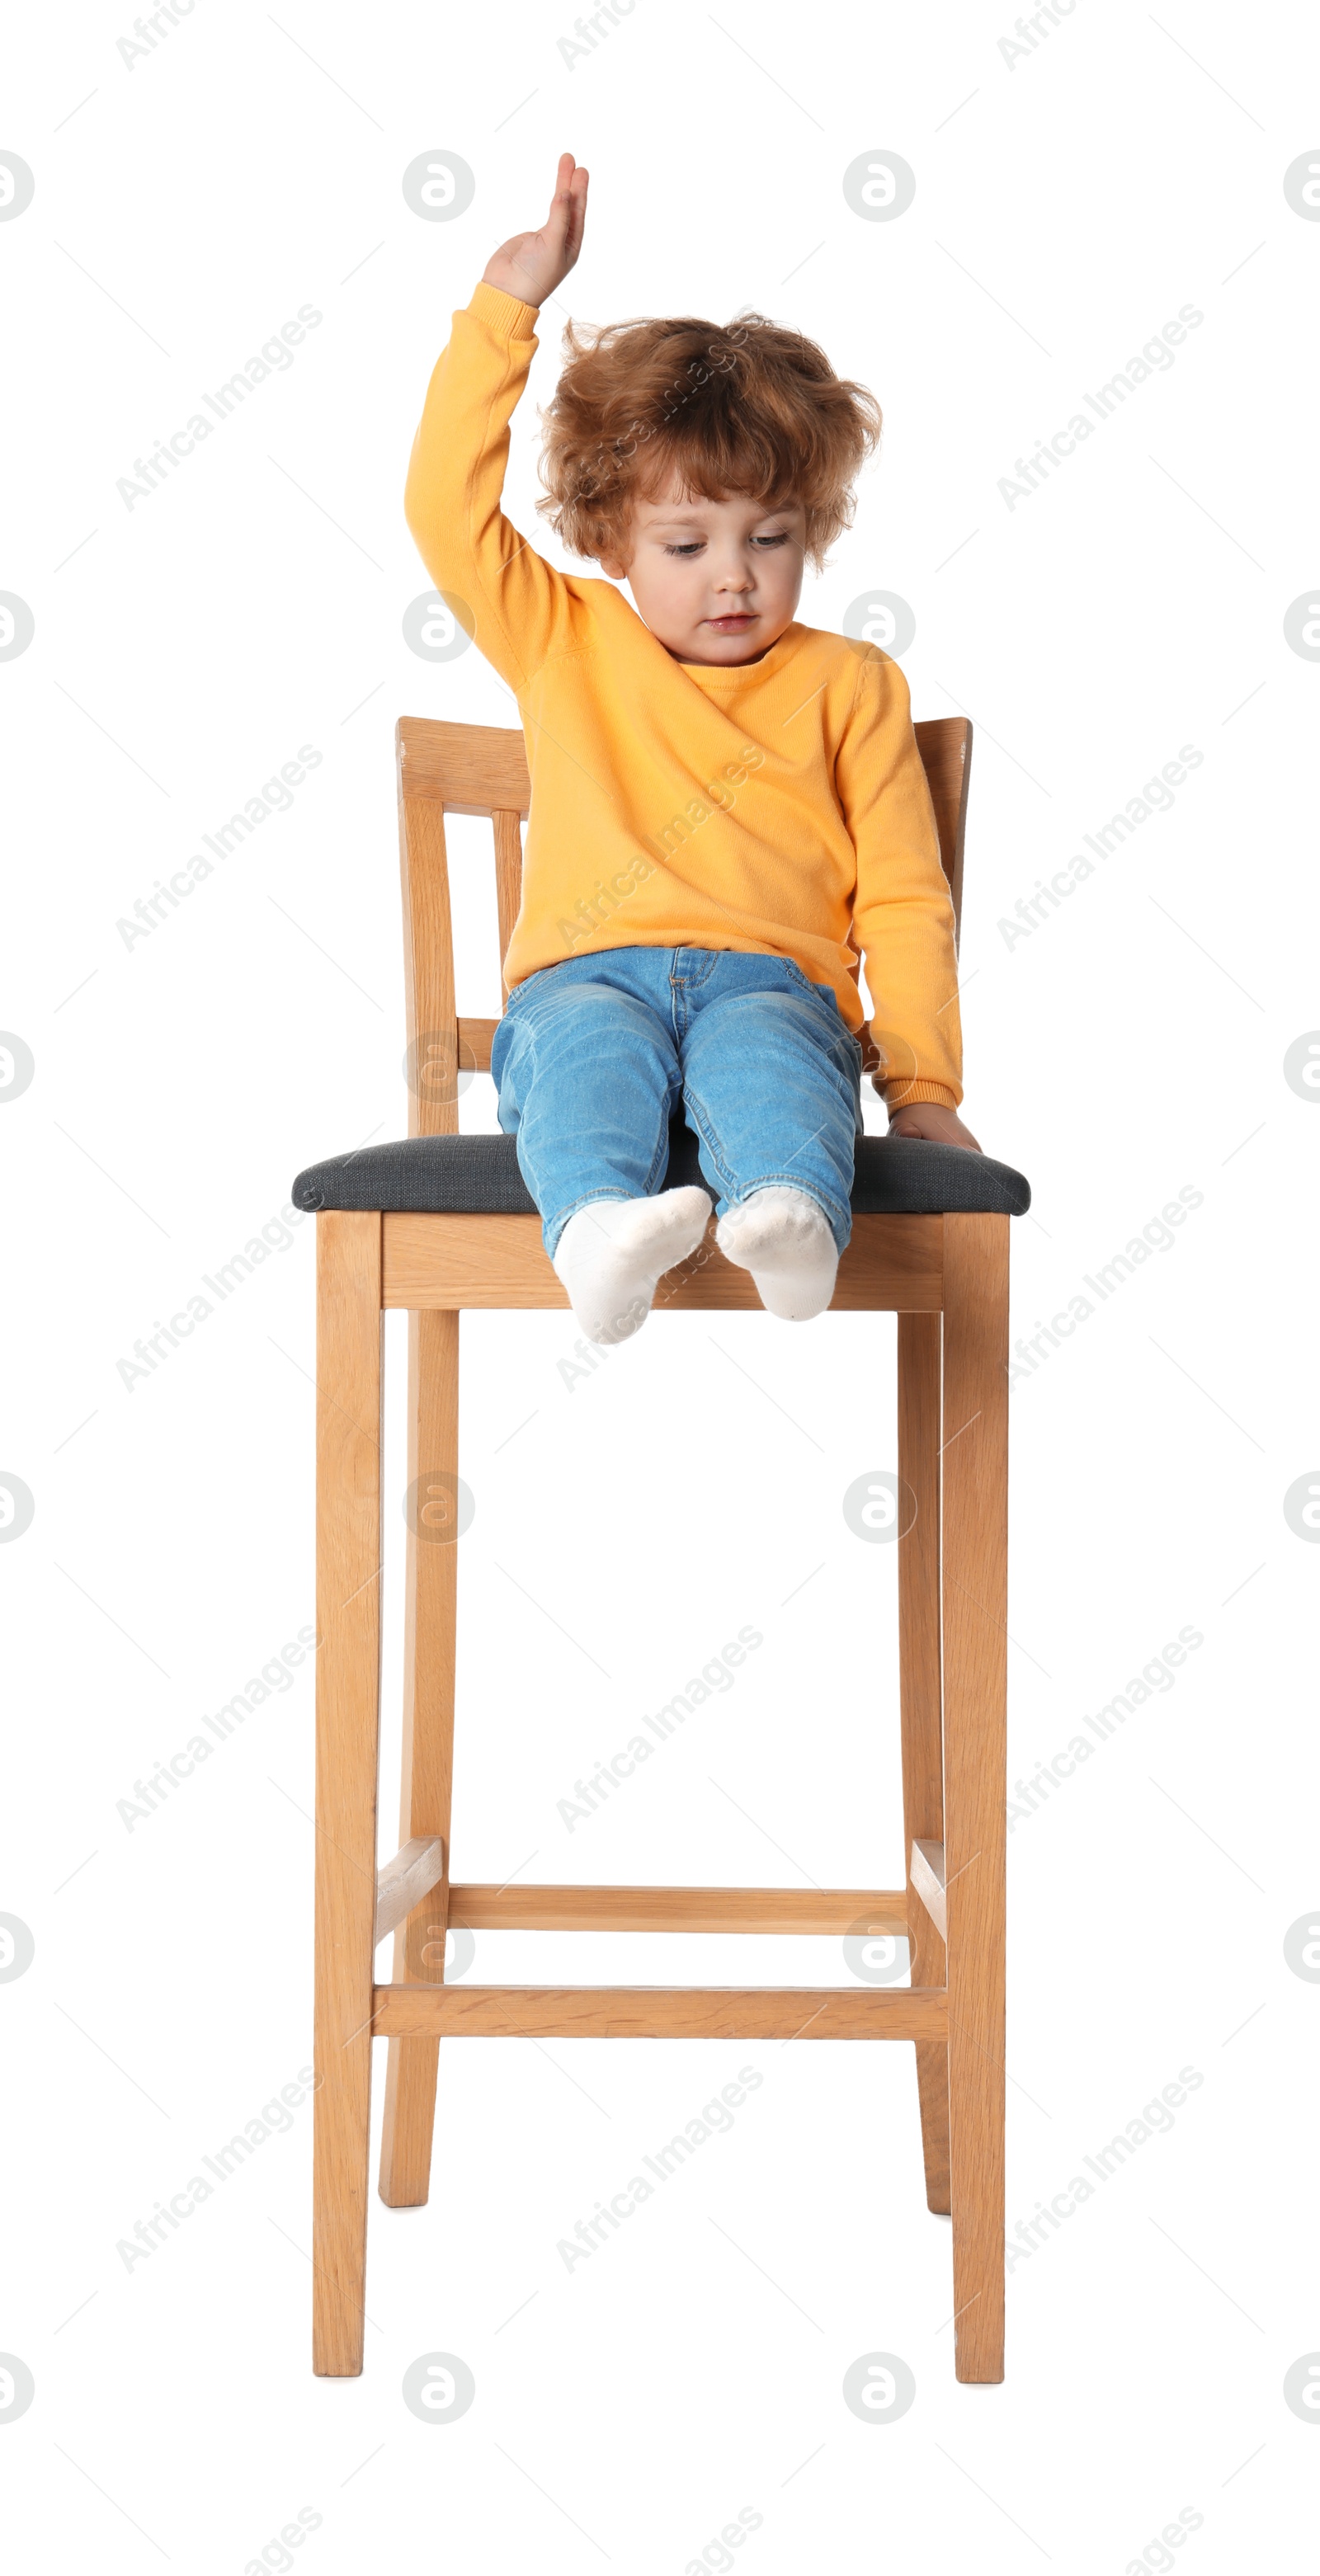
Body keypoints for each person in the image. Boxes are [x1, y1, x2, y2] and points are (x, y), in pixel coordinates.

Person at [403, 154, 979, 1344]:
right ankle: (601, 1234)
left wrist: (923, 1090)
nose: (733, 574)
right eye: (684, 545)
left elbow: (907, 902)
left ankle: (788, 1217)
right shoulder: (563, 636)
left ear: (809, 530)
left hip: (775, 980)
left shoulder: (851, 684)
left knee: (771, 1054)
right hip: (585, 976)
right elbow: (442, 513)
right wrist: (505, 307)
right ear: (610, 542)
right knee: (581, 1056)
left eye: (769, 537)